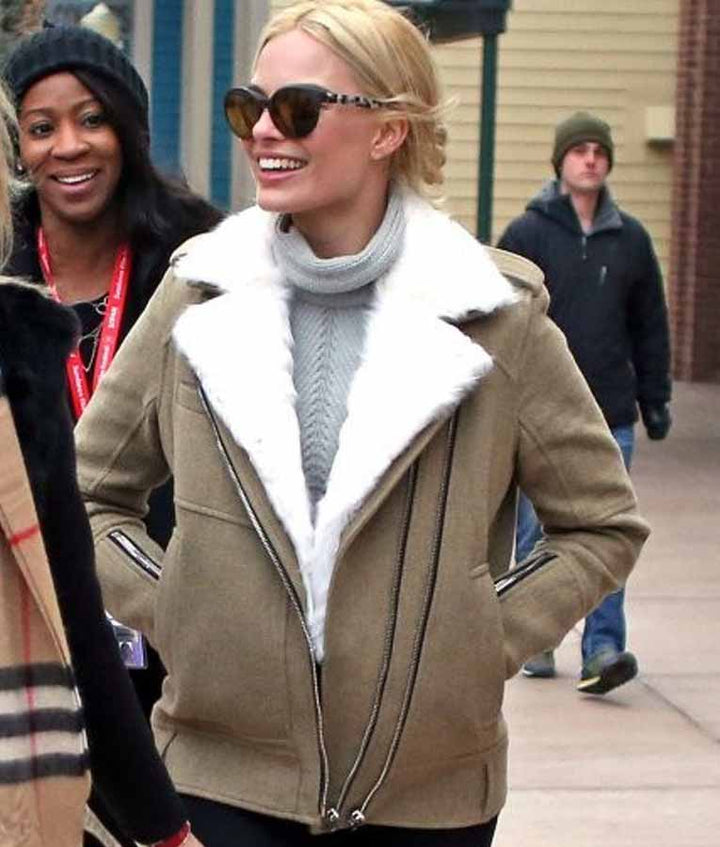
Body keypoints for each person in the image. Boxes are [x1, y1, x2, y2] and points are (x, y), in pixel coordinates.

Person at [75, 2, 649, 844]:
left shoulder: (498, 313)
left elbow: (601, 523)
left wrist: (478, 635)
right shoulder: (197, 293)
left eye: (299, 107)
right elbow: (85, 494)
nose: (265, 130)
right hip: (221, 776)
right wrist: (183, 611)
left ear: (388, 130)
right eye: (250, 106)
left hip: (429, 794)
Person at [1, 23, 223, 845]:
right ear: (17, 146)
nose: (69, 146)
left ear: (128, 129)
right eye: (41, 126)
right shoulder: (5, 272)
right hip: (41, 628)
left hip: (173, 621)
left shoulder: (201, 261)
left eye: (91, 119)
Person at [497, 111, 672, 692]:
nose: (590, 159)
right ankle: (537, 637)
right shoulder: (527, 234)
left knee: (608, 532)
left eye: (599, 150)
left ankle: (602, 649)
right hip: (540, 416)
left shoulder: (632, 240)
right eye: (579, 150)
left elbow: (650, 324)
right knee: (533, 532)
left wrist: (656, 397)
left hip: (611, 412)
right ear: (560, 161)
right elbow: (497, 319)